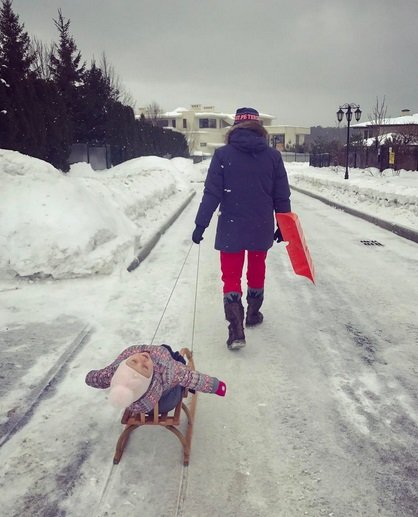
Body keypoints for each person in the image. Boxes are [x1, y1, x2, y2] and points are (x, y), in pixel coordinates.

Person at [192, 107, 291, 350]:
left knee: (231, 276)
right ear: (259, 129)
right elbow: (282, 196)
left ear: (234, 128)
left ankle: (236, 330)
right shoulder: (273, 157)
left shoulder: (222, 155)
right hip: (261, 226)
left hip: (231, 226)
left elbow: (212, 193)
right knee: (257, 270)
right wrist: (284, 225)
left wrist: (200, 224)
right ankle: (253, 315)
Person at [85, 344, 226, 414]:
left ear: (124, 363)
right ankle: (178, 370)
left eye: (134, 361)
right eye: (145, 368)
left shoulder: (113, 372)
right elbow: (192, 378)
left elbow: (99, 377)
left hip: (142, 407)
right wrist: (216, 386)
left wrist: (89, 377)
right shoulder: (169, 370)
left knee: (171, 362)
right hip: (166, 404)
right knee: (174, 359)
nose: (142, 360)